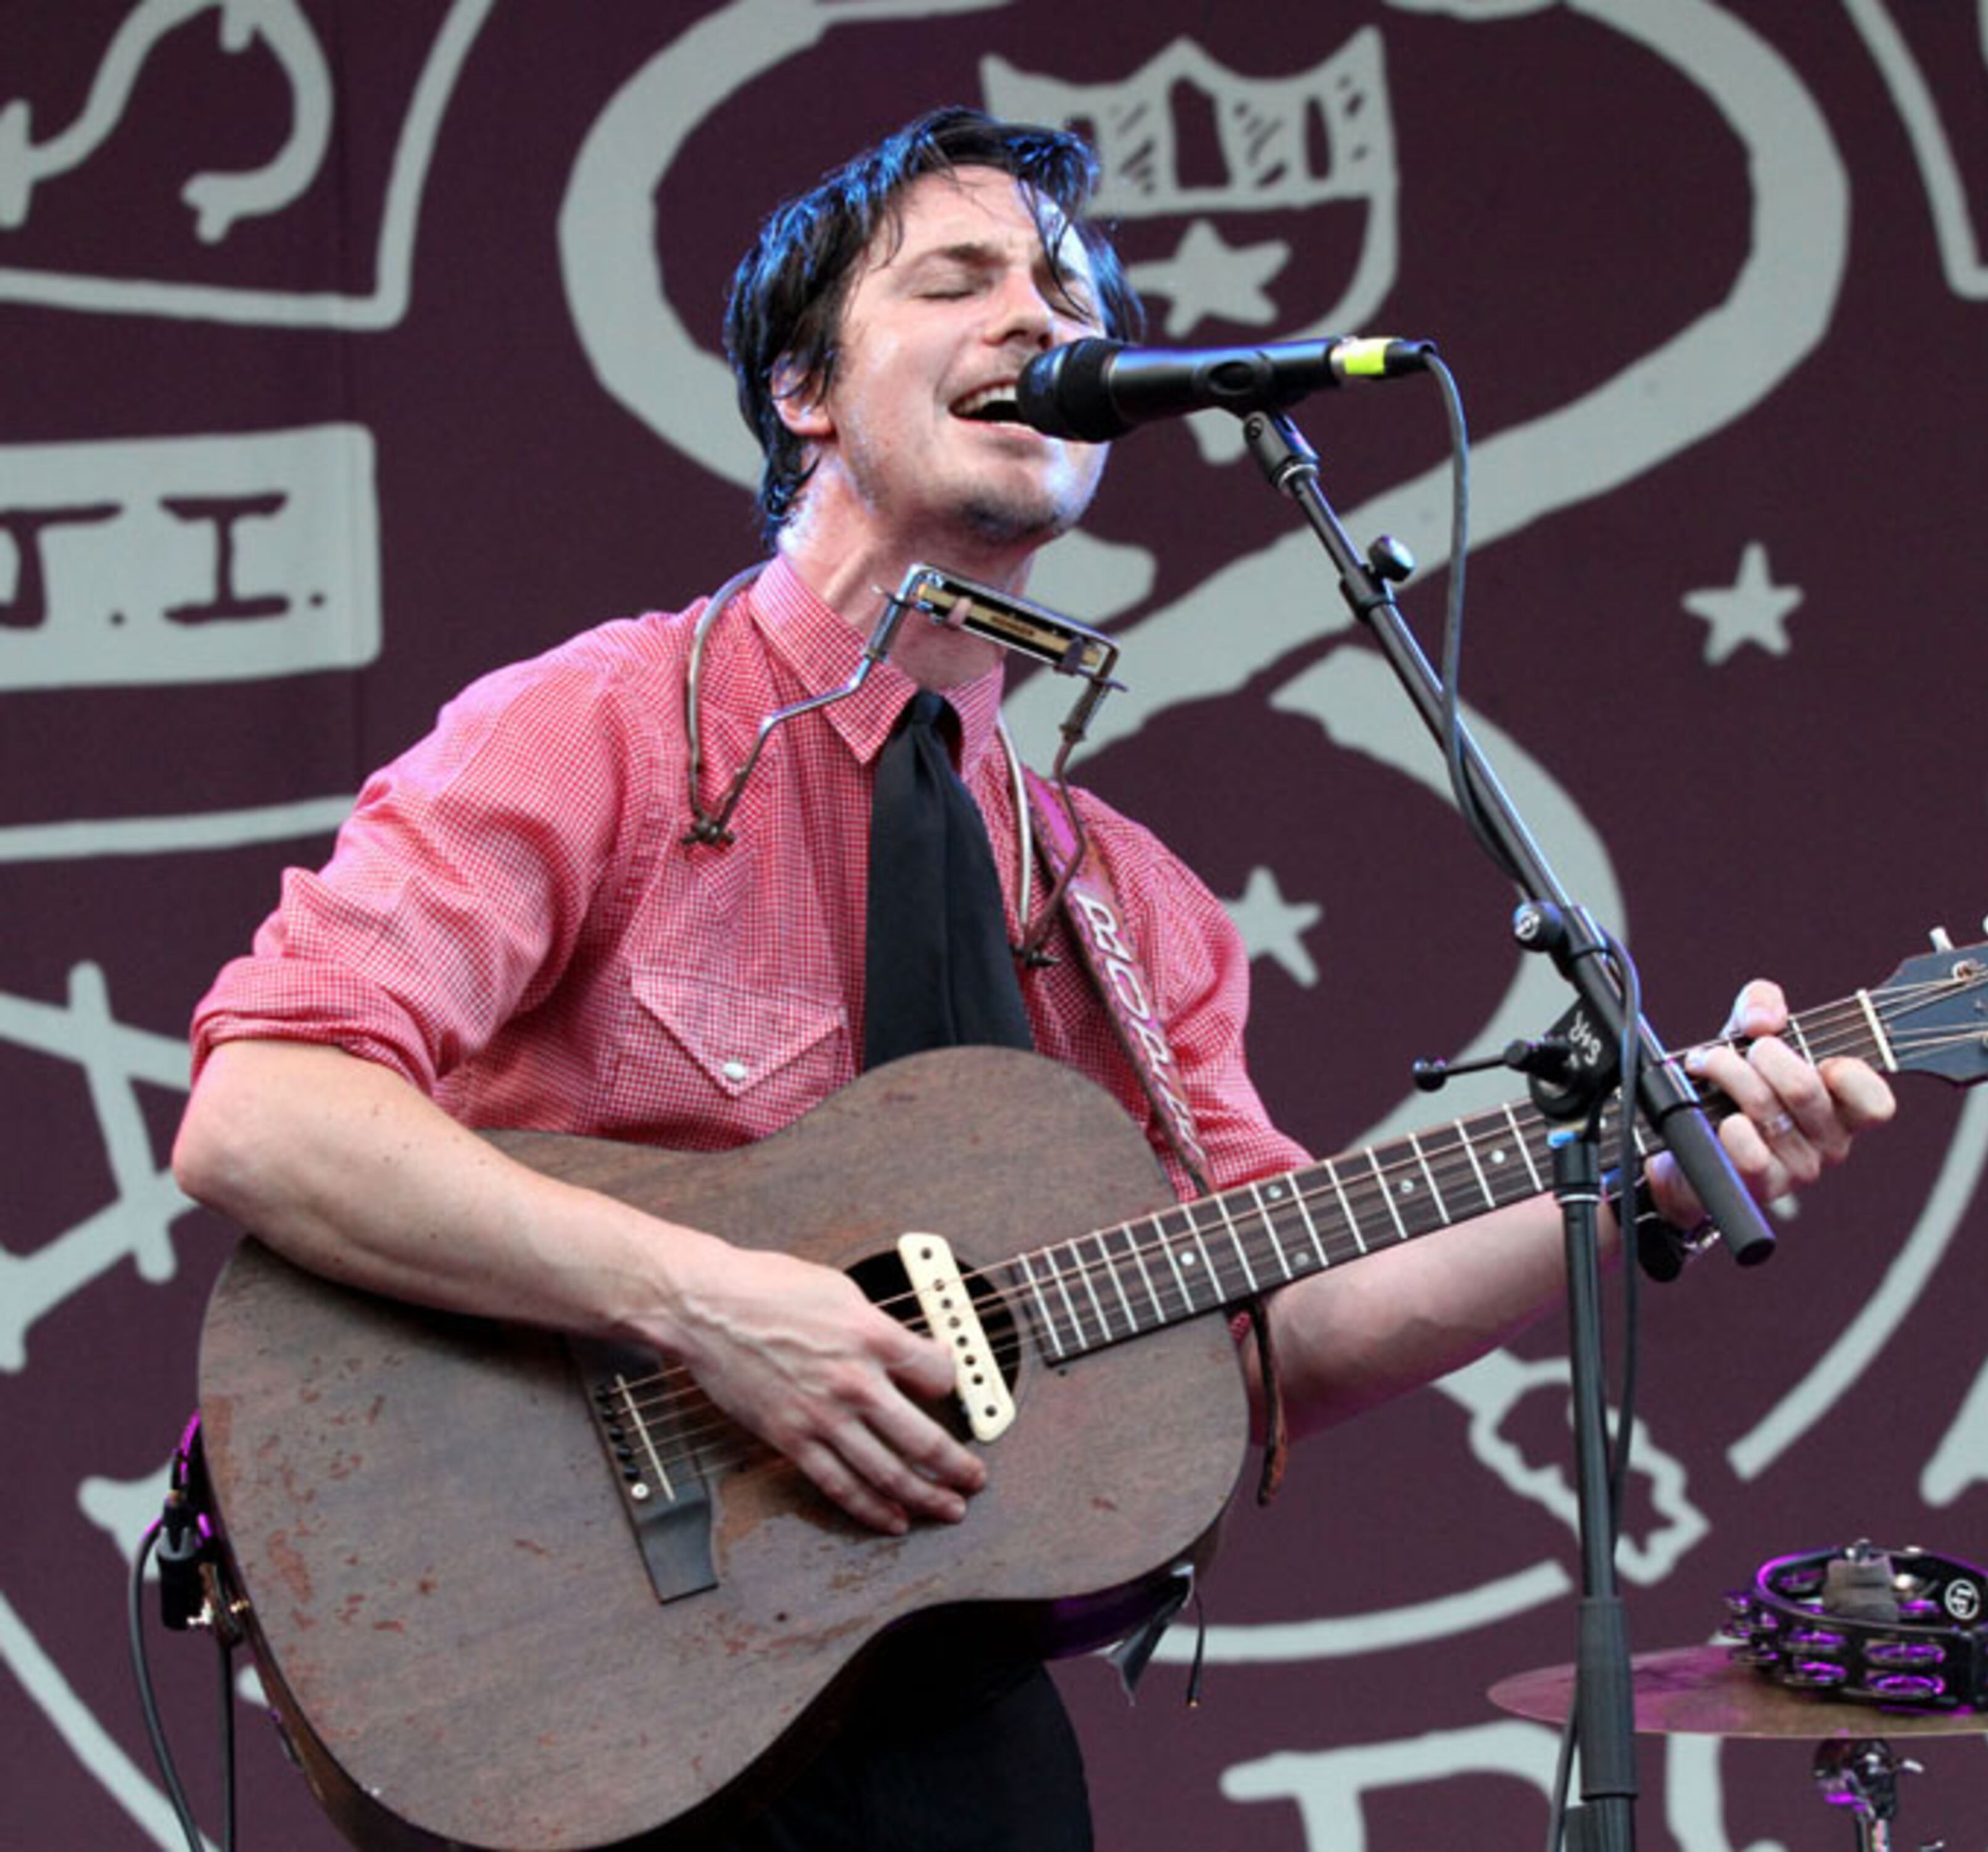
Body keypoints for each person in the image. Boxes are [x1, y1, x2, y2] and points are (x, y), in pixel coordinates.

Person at [172, 106, 1894, 1850]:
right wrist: (709, 1307)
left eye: (1068, 289)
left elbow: (1276, 1322)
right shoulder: (606, 730)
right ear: (804, 393)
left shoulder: (1127, 900)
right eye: (961, 280)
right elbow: (263, 1108)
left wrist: (1640, 1181)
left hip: (937, 1702)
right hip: (582, 1667)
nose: (1041, 319)